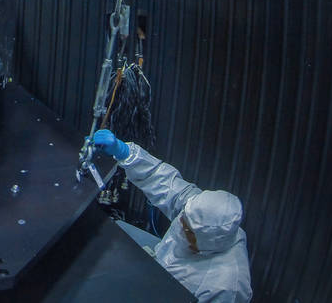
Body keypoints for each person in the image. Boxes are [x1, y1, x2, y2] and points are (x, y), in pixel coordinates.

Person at [93, 129, 252, 303]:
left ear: (208, 242)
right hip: (158, 267)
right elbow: (159, 179)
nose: (181, 229)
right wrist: (124, 151)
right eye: (183, 219)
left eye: (188, 230)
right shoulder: (196, 210)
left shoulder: (227, 288)